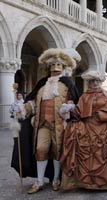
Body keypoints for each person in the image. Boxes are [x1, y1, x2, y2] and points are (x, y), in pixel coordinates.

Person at [11, 48, 80, 194]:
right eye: (53, 66)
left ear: (63, 67)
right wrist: (23, 109)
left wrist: (69, 108)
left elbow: (73, 102)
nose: (55, 69)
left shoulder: (67, 85)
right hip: (41, 124)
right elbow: (33, 103)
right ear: (48, 67)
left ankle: (55, 178)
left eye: (58, 65)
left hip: (59, 124)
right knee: (40, 149)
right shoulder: (41, 85)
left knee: (57, 151)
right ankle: (40, 181)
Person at [59, 70, 107, 190]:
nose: (94, 83)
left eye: (97, 81)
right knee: (73, 133)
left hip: (105, 125)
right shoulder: (85, 96)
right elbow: (79, 113)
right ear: (88, 83)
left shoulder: (106, 95)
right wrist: (70, 109)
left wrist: (101, 115)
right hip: (87, 126)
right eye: (92, 81)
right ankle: (85, 182)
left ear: (100, 82)